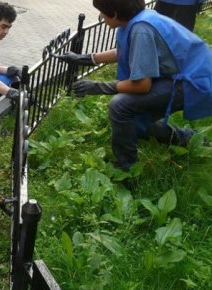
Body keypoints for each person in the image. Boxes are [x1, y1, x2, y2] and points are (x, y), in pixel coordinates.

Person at [56, 0, 212, 170]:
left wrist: (97, 87)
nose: (101, 16)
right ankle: (187, 137)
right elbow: (125, 51)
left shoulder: (141, 30)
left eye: (102, 12)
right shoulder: (137, 19)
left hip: (192, 81)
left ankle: (126, 167)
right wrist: (84, 59)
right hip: (185, 72)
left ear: (115, 13)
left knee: (120, 106)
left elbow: (142, 85)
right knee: (134, 121)